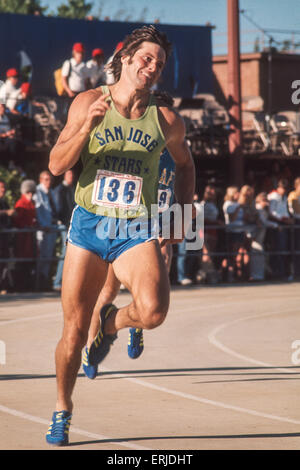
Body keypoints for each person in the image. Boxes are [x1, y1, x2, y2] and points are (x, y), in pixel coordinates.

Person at [46, 25, 195, 446]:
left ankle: (111, 325)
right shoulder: (88, 102)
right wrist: (83, 130)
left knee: (153, 312)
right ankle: (62, 408)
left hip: (136, 227)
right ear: (126, 58)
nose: (152, 68)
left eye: (159, 64)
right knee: (74, 333)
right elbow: (57, 165)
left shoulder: (166, 119)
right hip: (91, 226)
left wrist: (181, 216)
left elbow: (185, 166)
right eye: (146, 59)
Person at [83, 143, 176, 379]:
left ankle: (137, 323)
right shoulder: (133, 147)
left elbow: (180, 191)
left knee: (153, 282)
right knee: (106, 292)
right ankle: (91, 348)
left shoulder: (177, 153)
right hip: (124, 224)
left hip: (157, 223)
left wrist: (183, 215)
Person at [34, 170, 58, 290]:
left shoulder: (51, 192)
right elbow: (38, 211)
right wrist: (43, 224)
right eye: (46, 179)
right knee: (42, 257)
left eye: (50, 179)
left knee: (49, 256)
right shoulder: (37, 192)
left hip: (52, 227)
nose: (48, 182)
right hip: (43, 229)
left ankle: (46, 280)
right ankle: (39, 282)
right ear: (40, 180)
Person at [52, 169, 76, 291]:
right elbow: (59, 208)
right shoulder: (60, 190)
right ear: (64, 176)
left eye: (72, 174)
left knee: (69, 253)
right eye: (69, 174)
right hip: (65, 225)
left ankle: (63, 282)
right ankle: (57, 282)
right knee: (65, 252)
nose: (71, 177)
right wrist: (62, 221)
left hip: (70, 224)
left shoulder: (72, 188)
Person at [268, 178, 294, 280]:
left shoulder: (284, 197)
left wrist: (288, 218)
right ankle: (277, 272)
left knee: (284, 248)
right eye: (283, 188)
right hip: (277, 224)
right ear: (278, 187)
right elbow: (272, 212)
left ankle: (283, 271)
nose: (284, 190)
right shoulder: (273, 196)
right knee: (278, 248)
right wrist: (282, 219)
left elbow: (284, 210)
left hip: (284, 222)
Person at [13, 179, 37, 291]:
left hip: (29, 237)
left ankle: (28, 286)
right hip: (22, 238)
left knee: (29, 262)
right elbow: (17, 220)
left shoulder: (32, 203)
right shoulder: (20, 204)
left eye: (32, 192)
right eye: (28, 192)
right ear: (24, 192)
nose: (30, 194)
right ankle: (20, 286)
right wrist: (26, 226)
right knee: (21, 262)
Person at [0, 179, 15, 293]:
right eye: (1, 187)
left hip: (4, 239)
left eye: (4, 187)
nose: (3, 190)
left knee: (4, 262)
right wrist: (6, 212)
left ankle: (3, 285)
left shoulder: (4, 202)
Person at [288, 177, 300, 278]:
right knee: (296, 247)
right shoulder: (293, 195)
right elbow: (297, 210)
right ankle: (295, 272)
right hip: (296, 222)